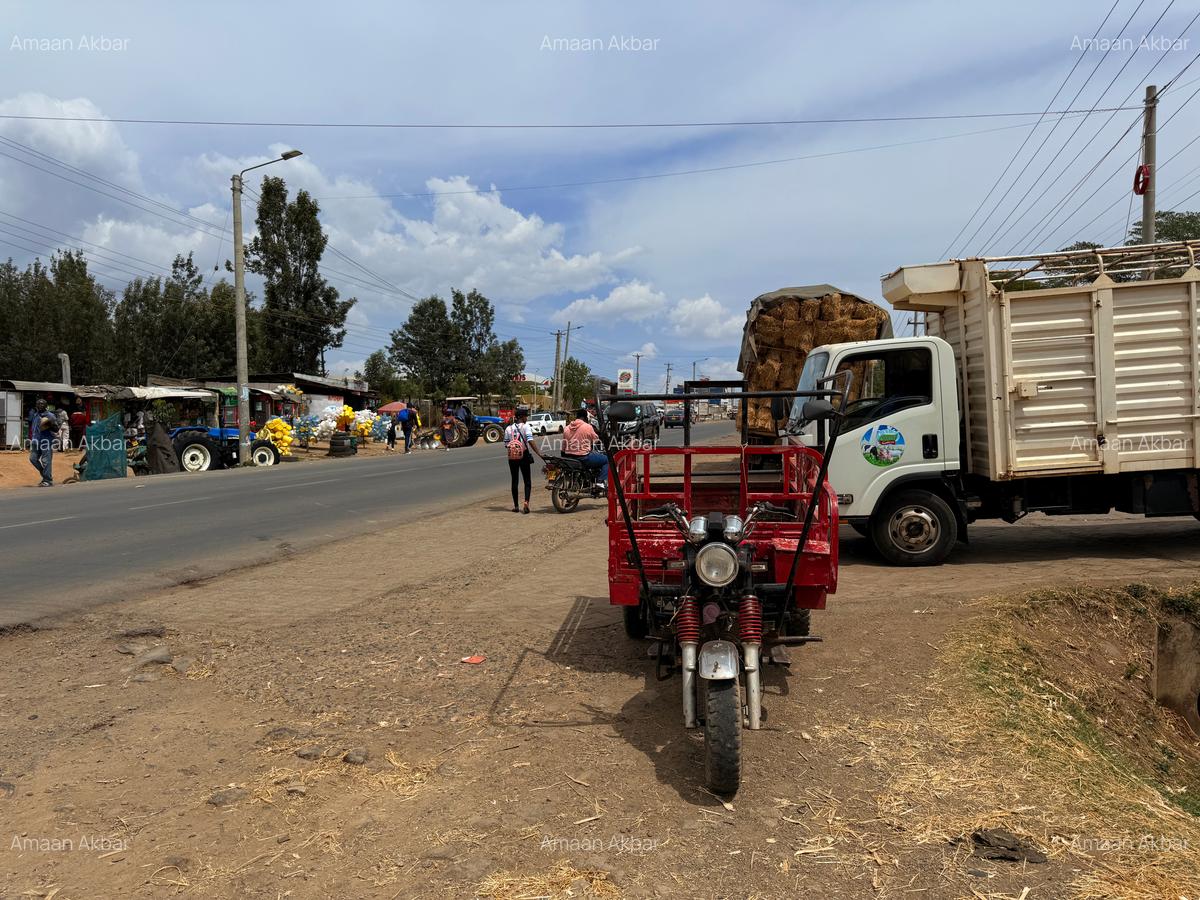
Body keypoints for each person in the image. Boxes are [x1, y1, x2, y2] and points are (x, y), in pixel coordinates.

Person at [504, 408, 544, 514]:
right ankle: (526, 502)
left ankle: (516, 506)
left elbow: (506, 444)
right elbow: (530, 440)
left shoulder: (508, 428)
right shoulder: (526, 427)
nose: (527, 418)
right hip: (524, 456)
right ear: (522, 417)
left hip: (512, 457)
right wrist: (538, 453)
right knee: (527, 481)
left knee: (514, 480)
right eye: (526, 416)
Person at [562, 405, 608, 490]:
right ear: (585, 417)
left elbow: (563, 446)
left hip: (569, 457)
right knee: (607, 460)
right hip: (584, 457)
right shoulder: (587, 427)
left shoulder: (567, 428)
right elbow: (596, 440)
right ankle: (600, 481)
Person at [27, 399, 58, 487]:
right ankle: (44, 474)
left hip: (46, 441)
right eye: (38, 404)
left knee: (46, 461)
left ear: (46, 406)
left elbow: (56, 429)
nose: (40, 406)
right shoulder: (35, 415)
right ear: (36, 406)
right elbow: (33, 428)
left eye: (42, 404)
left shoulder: (50, 415)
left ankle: (48, 480)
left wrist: (48, 424)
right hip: (35, 441)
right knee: (33, 459)